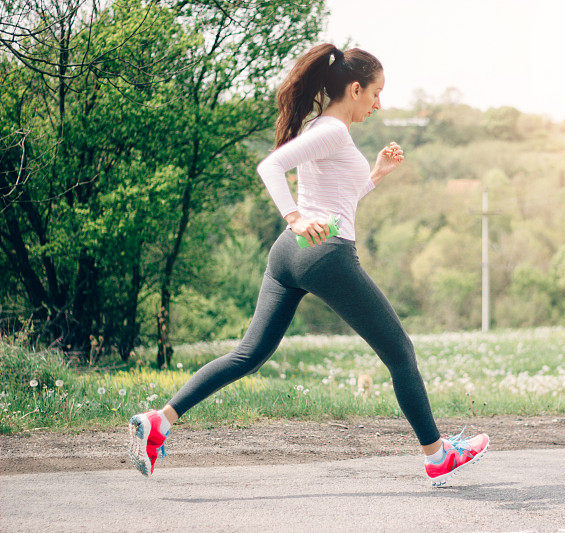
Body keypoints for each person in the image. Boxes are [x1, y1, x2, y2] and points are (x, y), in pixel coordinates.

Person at [127, 43, 489, 487]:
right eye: (376, 93)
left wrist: (375, 175)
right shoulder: (332, 132)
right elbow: (271, 167)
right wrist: (295, 215)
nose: (379, 103)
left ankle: (160, 421)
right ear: (355, 89)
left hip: (289, 255)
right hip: (325, 254)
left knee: (249, 354)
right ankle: (437, 456)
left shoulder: (327, 129)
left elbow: (338, 200)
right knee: (400, 351)